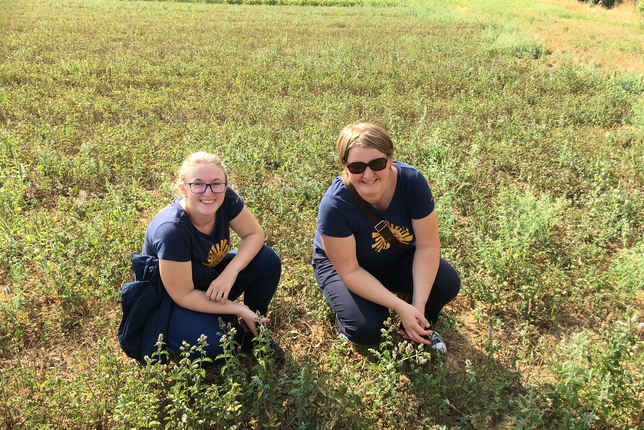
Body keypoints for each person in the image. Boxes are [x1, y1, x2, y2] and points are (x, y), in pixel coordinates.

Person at [312, 123, 460, 353]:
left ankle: (420, 324)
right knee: (367, 329)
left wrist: (417, 305)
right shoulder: (334, 205)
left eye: (377, 164)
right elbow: (350, 271)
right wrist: (398, 306)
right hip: (345, 267)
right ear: (344, 165)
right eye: (357, 166)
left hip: (392, 256)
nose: (368, 174)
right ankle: (345, 321)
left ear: (390, 159)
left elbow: (427, 247)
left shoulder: (412, 182)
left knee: (446, 281)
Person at [141, 151, 283, 363]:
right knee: (218, 344)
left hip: (207, 278)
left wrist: (230, 272)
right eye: (197, 184)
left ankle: (251, 329)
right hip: (170, 300)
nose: (208, 192)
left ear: (225, 186)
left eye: (216, 183)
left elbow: (255, 235)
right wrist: (238, 308)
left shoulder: (224, 198)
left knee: (267, 260)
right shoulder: (171, 229)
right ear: (183, 189)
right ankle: (187, 331)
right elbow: (183, 295)